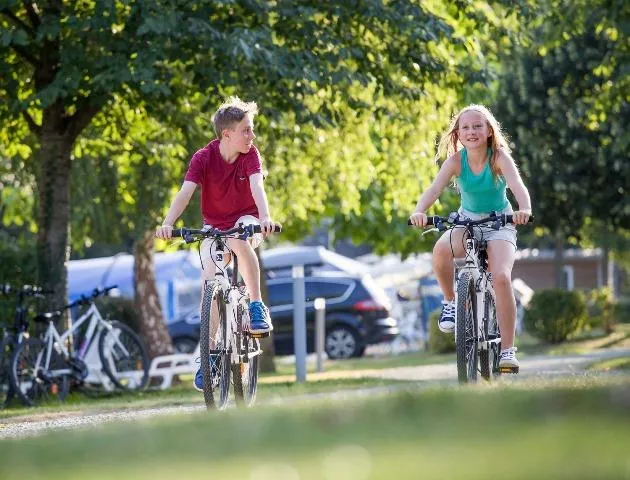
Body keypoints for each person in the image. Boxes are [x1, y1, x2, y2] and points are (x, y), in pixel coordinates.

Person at [155, 96, 278, 390]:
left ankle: (257, 305)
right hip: (214, 225)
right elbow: (186, 192)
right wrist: (168, 223)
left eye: (252, 129)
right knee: (209, 284)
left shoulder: (251, 155)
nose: (252, 135)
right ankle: (210, 356)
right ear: (227, 134)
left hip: (247, 220)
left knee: (238, 238)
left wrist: (265, 217)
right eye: (246, 130)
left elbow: (257, 186)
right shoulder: (203, 158)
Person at [409, 104, 532, 371]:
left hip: (499, 221)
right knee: (441, 251)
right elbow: (434, 189)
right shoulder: (455, 161)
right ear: (458, 134)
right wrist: (419, 211)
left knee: (500, 277)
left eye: (478, 126)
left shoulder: (498, 157)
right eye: (465, 127)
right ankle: (451, 302)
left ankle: (508, 351)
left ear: (489, 131)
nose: (472, 131)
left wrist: (525, 209)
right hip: (467, 219)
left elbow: (517, 186)